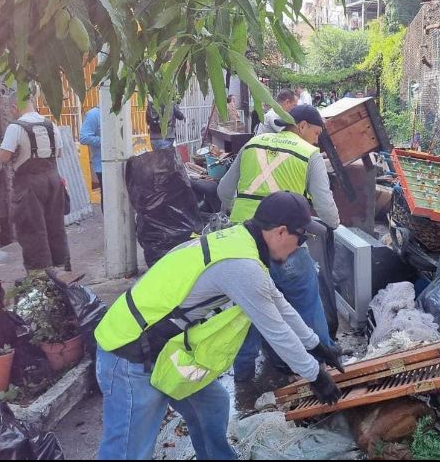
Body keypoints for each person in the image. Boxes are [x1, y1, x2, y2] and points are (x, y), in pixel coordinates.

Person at [94, 192, 344, 460]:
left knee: (212, 404)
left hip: (166, 351)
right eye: (301, 238)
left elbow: (278, 302)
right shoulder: (242, 266)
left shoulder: (241, 242)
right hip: (130, 352)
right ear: (281, 232)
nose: (299, 247)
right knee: (128, 452)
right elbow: (276, 331)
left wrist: (316, 345)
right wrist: (315, 375)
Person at [217, 105, 340, 381]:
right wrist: (334, 225)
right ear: (302, 126)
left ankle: (244, 378)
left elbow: (223, 190)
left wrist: (240, 210)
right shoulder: (309, 154)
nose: (317, 140)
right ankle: (323, 361)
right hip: (285, 245)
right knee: (306, 301)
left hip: (243, 245)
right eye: (316, 133)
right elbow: (325, 206)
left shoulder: (253, 143)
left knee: (247, 310)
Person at [0, 93, 69, 275]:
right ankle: (61, 268)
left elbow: (4, 157)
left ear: (15, 107)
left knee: (32, 227)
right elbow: (59, 153)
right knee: (55, 225)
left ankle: (39, 275)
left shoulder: (15, 127)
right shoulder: (51, 125)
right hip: (53, 180)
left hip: (29, 184)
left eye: (10, 110)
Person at [79, 106, 103, 203]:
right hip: (102, 166)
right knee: (108, 198)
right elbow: (84, 138)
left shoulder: (121, 111)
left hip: (121, 163)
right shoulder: (94, 114)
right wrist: (105, 141)